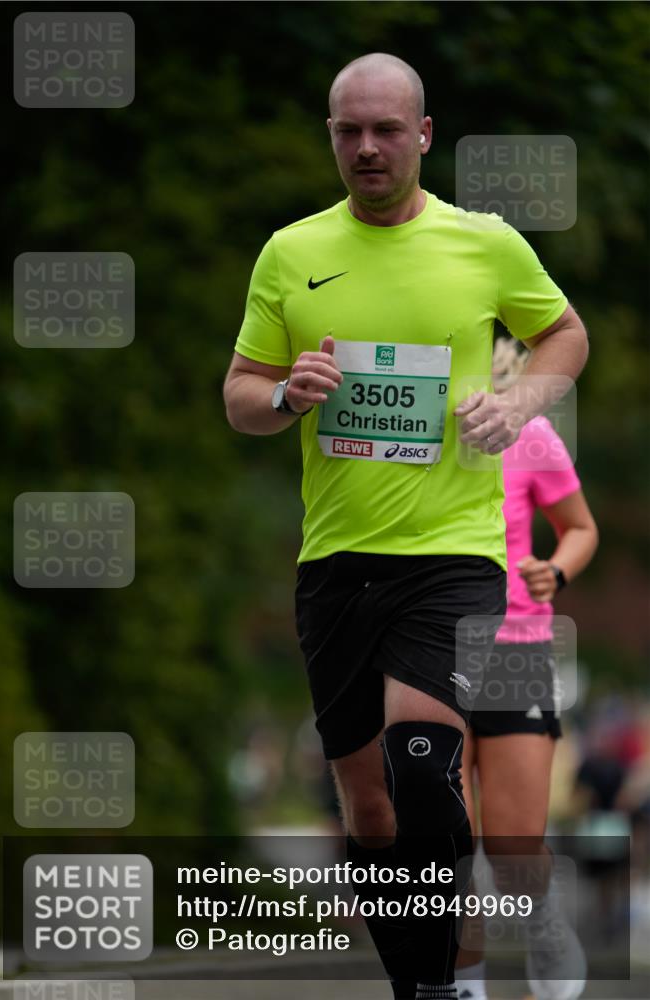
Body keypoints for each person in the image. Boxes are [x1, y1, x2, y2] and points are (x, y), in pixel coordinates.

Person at [223, 52, 589, 1000]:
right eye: (349, 130)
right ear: (331, 138)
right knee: (373, 811)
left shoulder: (484, 244)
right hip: (336, 563)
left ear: (422, 136)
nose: (367, 147)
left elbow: (564, 334)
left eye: (387, 129)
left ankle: (453, 981)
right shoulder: (290, 252)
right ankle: (423, 984)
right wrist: (285, 395)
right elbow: (240, 397)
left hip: (452, 558)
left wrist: (520, 404)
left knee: (420, 764)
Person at [454, 337, 598, 1000]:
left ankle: (539, 918)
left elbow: (579, 527)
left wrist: (556, 569)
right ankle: (464, 982)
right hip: (425, 647)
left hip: (511, 644)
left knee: (512, 849)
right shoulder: (401, 428)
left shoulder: (527, 432)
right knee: (443, 848)